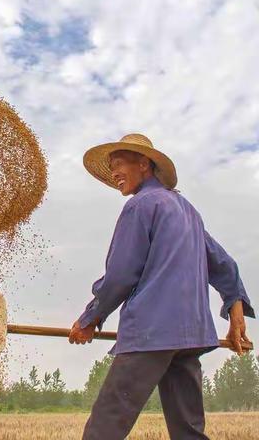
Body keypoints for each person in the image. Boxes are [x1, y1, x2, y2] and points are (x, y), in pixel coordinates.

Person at [69, 133, 255, 440]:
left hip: (151, 333)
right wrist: (235, 308)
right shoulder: (188, 211)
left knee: (104, 429)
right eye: (111, 165)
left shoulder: (141, 205)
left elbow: (121, 274)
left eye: (119, 163)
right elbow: (225, 264)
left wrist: (91, 318)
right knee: (189, 432)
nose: (114, 172)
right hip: (189, 336)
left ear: (144, 164)